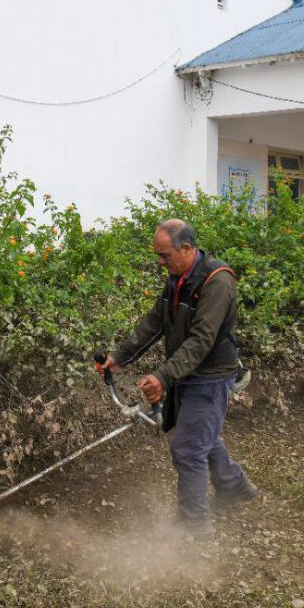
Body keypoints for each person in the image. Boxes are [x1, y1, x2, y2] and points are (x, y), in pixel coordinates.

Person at [99, 219, 257, 534]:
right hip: (188, 373)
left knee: (188, 448)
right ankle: (235, 487)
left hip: (211, 376)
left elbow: (201, 340)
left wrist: (163, 376)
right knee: (200, 436)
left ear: (186, 248)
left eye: (164, 255)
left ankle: (194, 527)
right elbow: (155, 322)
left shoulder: (217, 281)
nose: (160, 262)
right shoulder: (177, 277)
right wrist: (120, 357)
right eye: (158, 256)